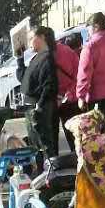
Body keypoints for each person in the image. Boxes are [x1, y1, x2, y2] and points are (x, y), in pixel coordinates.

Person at [22, 26, 61, 155]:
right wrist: (19, 60)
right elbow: (24, 79)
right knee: (36, 144)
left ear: (42, 37)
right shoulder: (37, 57)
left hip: (39, 107)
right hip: (32, 105)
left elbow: (50, 84)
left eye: (31, 38)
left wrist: (40, 105)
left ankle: (49, 166)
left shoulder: (47, 58)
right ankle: (42, 165)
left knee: (43, 144)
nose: (29, 43)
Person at [58, 33, 83, 150]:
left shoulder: (61, 55)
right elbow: (80, 78)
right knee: (81, 131)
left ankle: (76, 153)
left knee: (70, 131)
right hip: (77, 98)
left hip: (64, 100)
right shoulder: (78, 55)